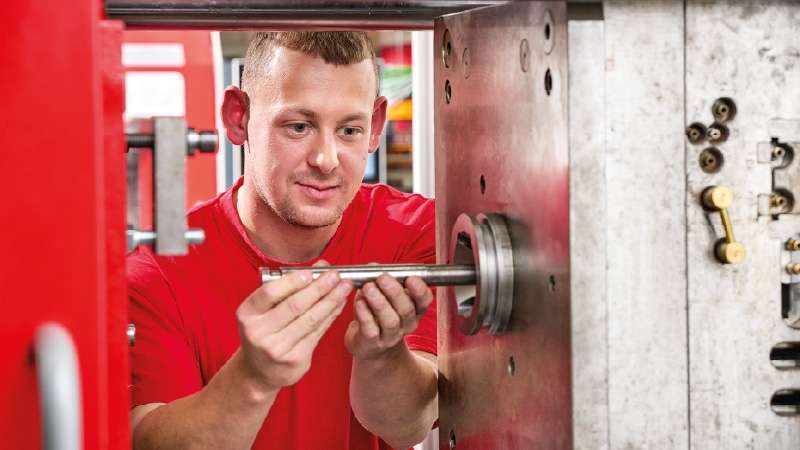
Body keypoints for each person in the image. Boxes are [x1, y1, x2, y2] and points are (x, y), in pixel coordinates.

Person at [127, 32, 438, 450]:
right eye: (299, 126)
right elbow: (153, 443)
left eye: (348, 130)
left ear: (376, 126)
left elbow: (408, 427)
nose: (326, 159)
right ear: (238, 117)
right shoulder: (157, 274)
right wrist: (254, 378)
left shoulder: (416, 233)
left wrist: (382, 356)